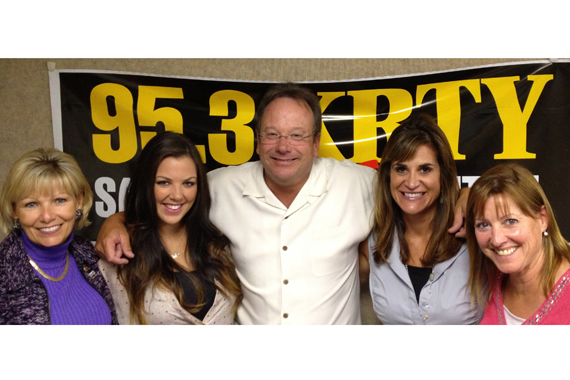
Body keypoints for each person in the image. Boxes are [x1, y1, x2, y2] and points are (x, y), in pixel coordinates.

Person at [95, 82, 467, 325]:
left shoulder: (359, 184)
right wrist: (116, 220)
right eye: (271, 134)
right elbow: (169, 199)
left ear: (316, 141)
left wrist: (467, 198)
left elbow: (417, 190)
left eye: (296, 135)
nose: (283, 146)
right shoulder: (222, 186)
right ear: (257, 140)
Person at [98, 132, 241, 324]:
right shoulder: (120, 250)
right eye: (163, 183)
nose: (177, 195)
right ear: (145, 183)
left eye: (188, 183)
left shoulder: (217, 245)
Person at [360, 114, 483, 324]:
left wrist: (474, 194)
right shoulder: (373, 243)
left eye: (425, 169)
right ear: (388, 175)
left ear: (443, 175)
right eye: (401, 169)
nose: (411, 182)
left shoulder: (476, 232)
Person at [0, 148, 117, 324]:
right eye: (31, 204)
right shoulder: (5, 274)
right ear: (15, 210)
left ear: (78, 201)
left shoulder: (87, 254)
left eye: (59, 200)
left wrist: (118, 221)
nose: (47, 216)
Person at [466, 163, 570, 324]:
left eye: (510, 221)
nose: (497, 239)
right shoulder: (492, 277)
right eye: (483, 225)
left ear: (543, 219)